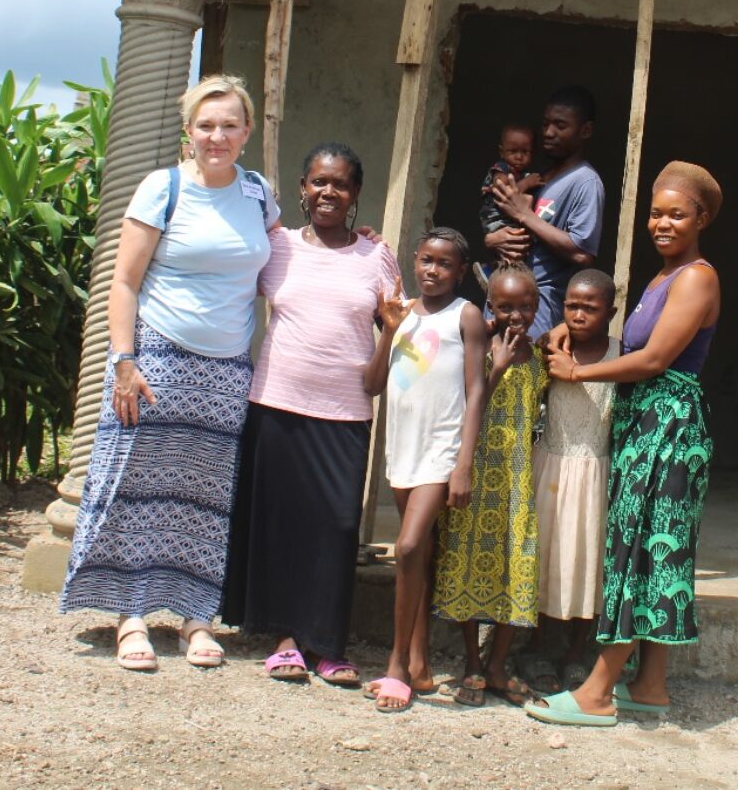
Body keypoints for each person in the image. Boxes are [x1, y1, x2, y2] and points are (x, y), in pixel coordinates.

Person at [60, 74, 278, 672]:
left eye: (230, 124)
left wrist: (355, 246)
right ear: (189, 130)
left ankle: (195, 618)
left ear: (247, 131)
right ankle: (131, 616)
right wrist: (123, 362)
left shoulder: (258, 195)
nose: (218, 135)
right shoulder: (164, 188)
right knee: (135, 488)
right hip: (156, 359)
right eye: (206, 124)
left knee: (203, 498)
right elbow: (124, 281)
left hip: (227, 370)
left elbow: (284, 256)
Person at [526, 162, 722, 728]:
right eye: (656, 213)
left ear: (701, 219)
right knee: (655, 552)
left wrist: (575, 375)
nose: (662, 223)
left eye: (677, 215)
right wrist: (566, 330)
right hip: (646, 425)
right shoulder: (662, 278)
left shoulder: (697, 278)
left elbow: (657, 359)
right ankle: (651, 684)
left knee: (644, 554)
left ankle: (597, 691)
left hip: (670, 430)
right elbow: (627, 342)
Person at [221, 143, 400, 688]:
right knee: (282, 523)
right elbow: (227, 287)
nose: (328, 192)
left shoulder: (377, 256)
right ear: (301, 187)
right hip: (275, 403)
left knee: (337, 526)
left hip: (345, 411)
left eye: (340, 184)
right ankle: (285, 640)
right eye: (319, 181)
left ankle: (328, 644)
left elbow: (394, 323)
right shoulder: (276, 248)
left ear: (355, 195)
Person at [363, 227, 488, 715]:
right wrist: (390, 329)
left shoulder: (467, 316)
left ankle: (396, 666)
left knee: (409, 545)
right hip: (403, 447)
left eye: (444, 264)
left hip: (442, 447)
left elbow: (476, 389)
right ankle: (419, 662)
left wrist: (464, 464)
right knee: (422, 555)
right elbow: (372, 384)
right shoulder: (400, 313)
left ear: (460, 272)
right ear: (414, 262)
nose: (433, 271)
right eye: (426, 261)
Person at [431, 264, 547, 707]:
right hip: (474, 478)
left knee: (517, 566)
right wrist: (496, 368)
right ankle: (472, 666)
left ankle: (497, 664)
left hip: (517, 482)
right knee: (463, 561)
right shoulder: (477, 351)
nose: (516, 316)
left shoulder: (539, 360)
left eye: (525, 307)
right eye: (504, 307)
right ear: (489, 306)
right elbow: (463, 405)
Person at [521, 268, 618, 695]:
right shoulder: (549, 350)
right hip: (552, 467)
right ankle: (537, 648)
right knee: (546, 555)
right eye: (571, 306)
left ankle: (579, 651)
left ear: (610, 313)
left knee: (588, 559)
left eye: (590, 308)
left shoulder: (621, 353)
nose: (578, 315)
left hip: (596, 470)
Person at [486, 87, 604, 339]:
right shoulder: (537, 177)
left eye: (560, 126)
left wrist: (524, 214)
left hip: (538, 312)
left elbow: (583, 253)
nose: (548, 133)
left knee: (524, 377)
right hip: (502, 301)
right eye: (546, 123)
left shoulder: (585, 182)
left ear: (585, 131)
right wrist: (493, 239)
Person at [477, 122, 541, 279]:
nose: (519, 156)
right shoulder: (501, 169)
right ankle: (493, 274)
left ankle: (495, 272)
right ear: (501, 151)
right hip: (495, 217)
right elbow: (505, 193)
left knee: (515, 248)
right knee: (513, 246)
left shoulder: (520, 172)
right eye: (513, 151)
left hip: (504, 216)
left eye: (525, 151)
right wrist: (527, 183)